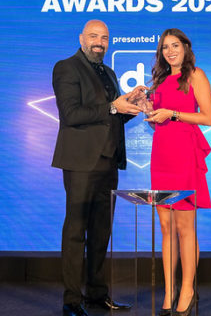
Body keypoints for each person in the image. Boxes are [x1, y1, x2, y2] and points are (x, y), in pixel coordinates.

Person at [52, 19, 145, 316]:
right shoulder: (66, 67)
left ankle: (96, 294)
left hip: (108, 162)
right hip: (80, 162)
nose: (99, 42)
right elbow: (71, 114)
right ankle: (71, 300)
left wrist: (131, 105)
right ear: (81, 38)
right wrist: (114, 106)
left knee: (101, 231)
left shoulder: (109, 72)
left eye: (104, 38)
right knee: (76, 231)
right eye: (93, 36)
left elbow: (110, 117)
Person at [144, 28, 211, 316]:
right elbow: (157, 122)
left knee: (185, 227)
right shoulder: (160, 80)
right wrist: (149, 111)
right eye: (165, 47)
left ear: (186, 47)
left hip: (185, 155)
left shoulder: (196, 75)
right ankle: (169, 290)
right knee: (165, 227)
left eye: (175, 45)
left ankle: (187, 289)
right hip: (161, 155)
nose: (170, 51)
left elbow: (207, 117)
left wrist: (171, 113)